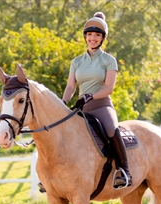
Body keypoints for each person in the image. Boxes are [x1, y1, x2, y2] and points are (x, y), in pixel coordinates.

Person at [62, 12, 132, 188]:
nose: (93, 38)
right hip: (82, 107)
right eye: (90, 35)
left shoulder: (109, 60)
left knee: (111, 129)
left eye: (97, 35)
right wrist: (62, 103)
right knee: (61, 133)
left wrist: (90, 96)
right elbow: (71, 87)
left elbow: (109, 87)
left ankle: (124, 171)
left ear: (102, 38)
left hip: (101, 105)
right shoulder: (77, 62)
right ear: (85, 36)